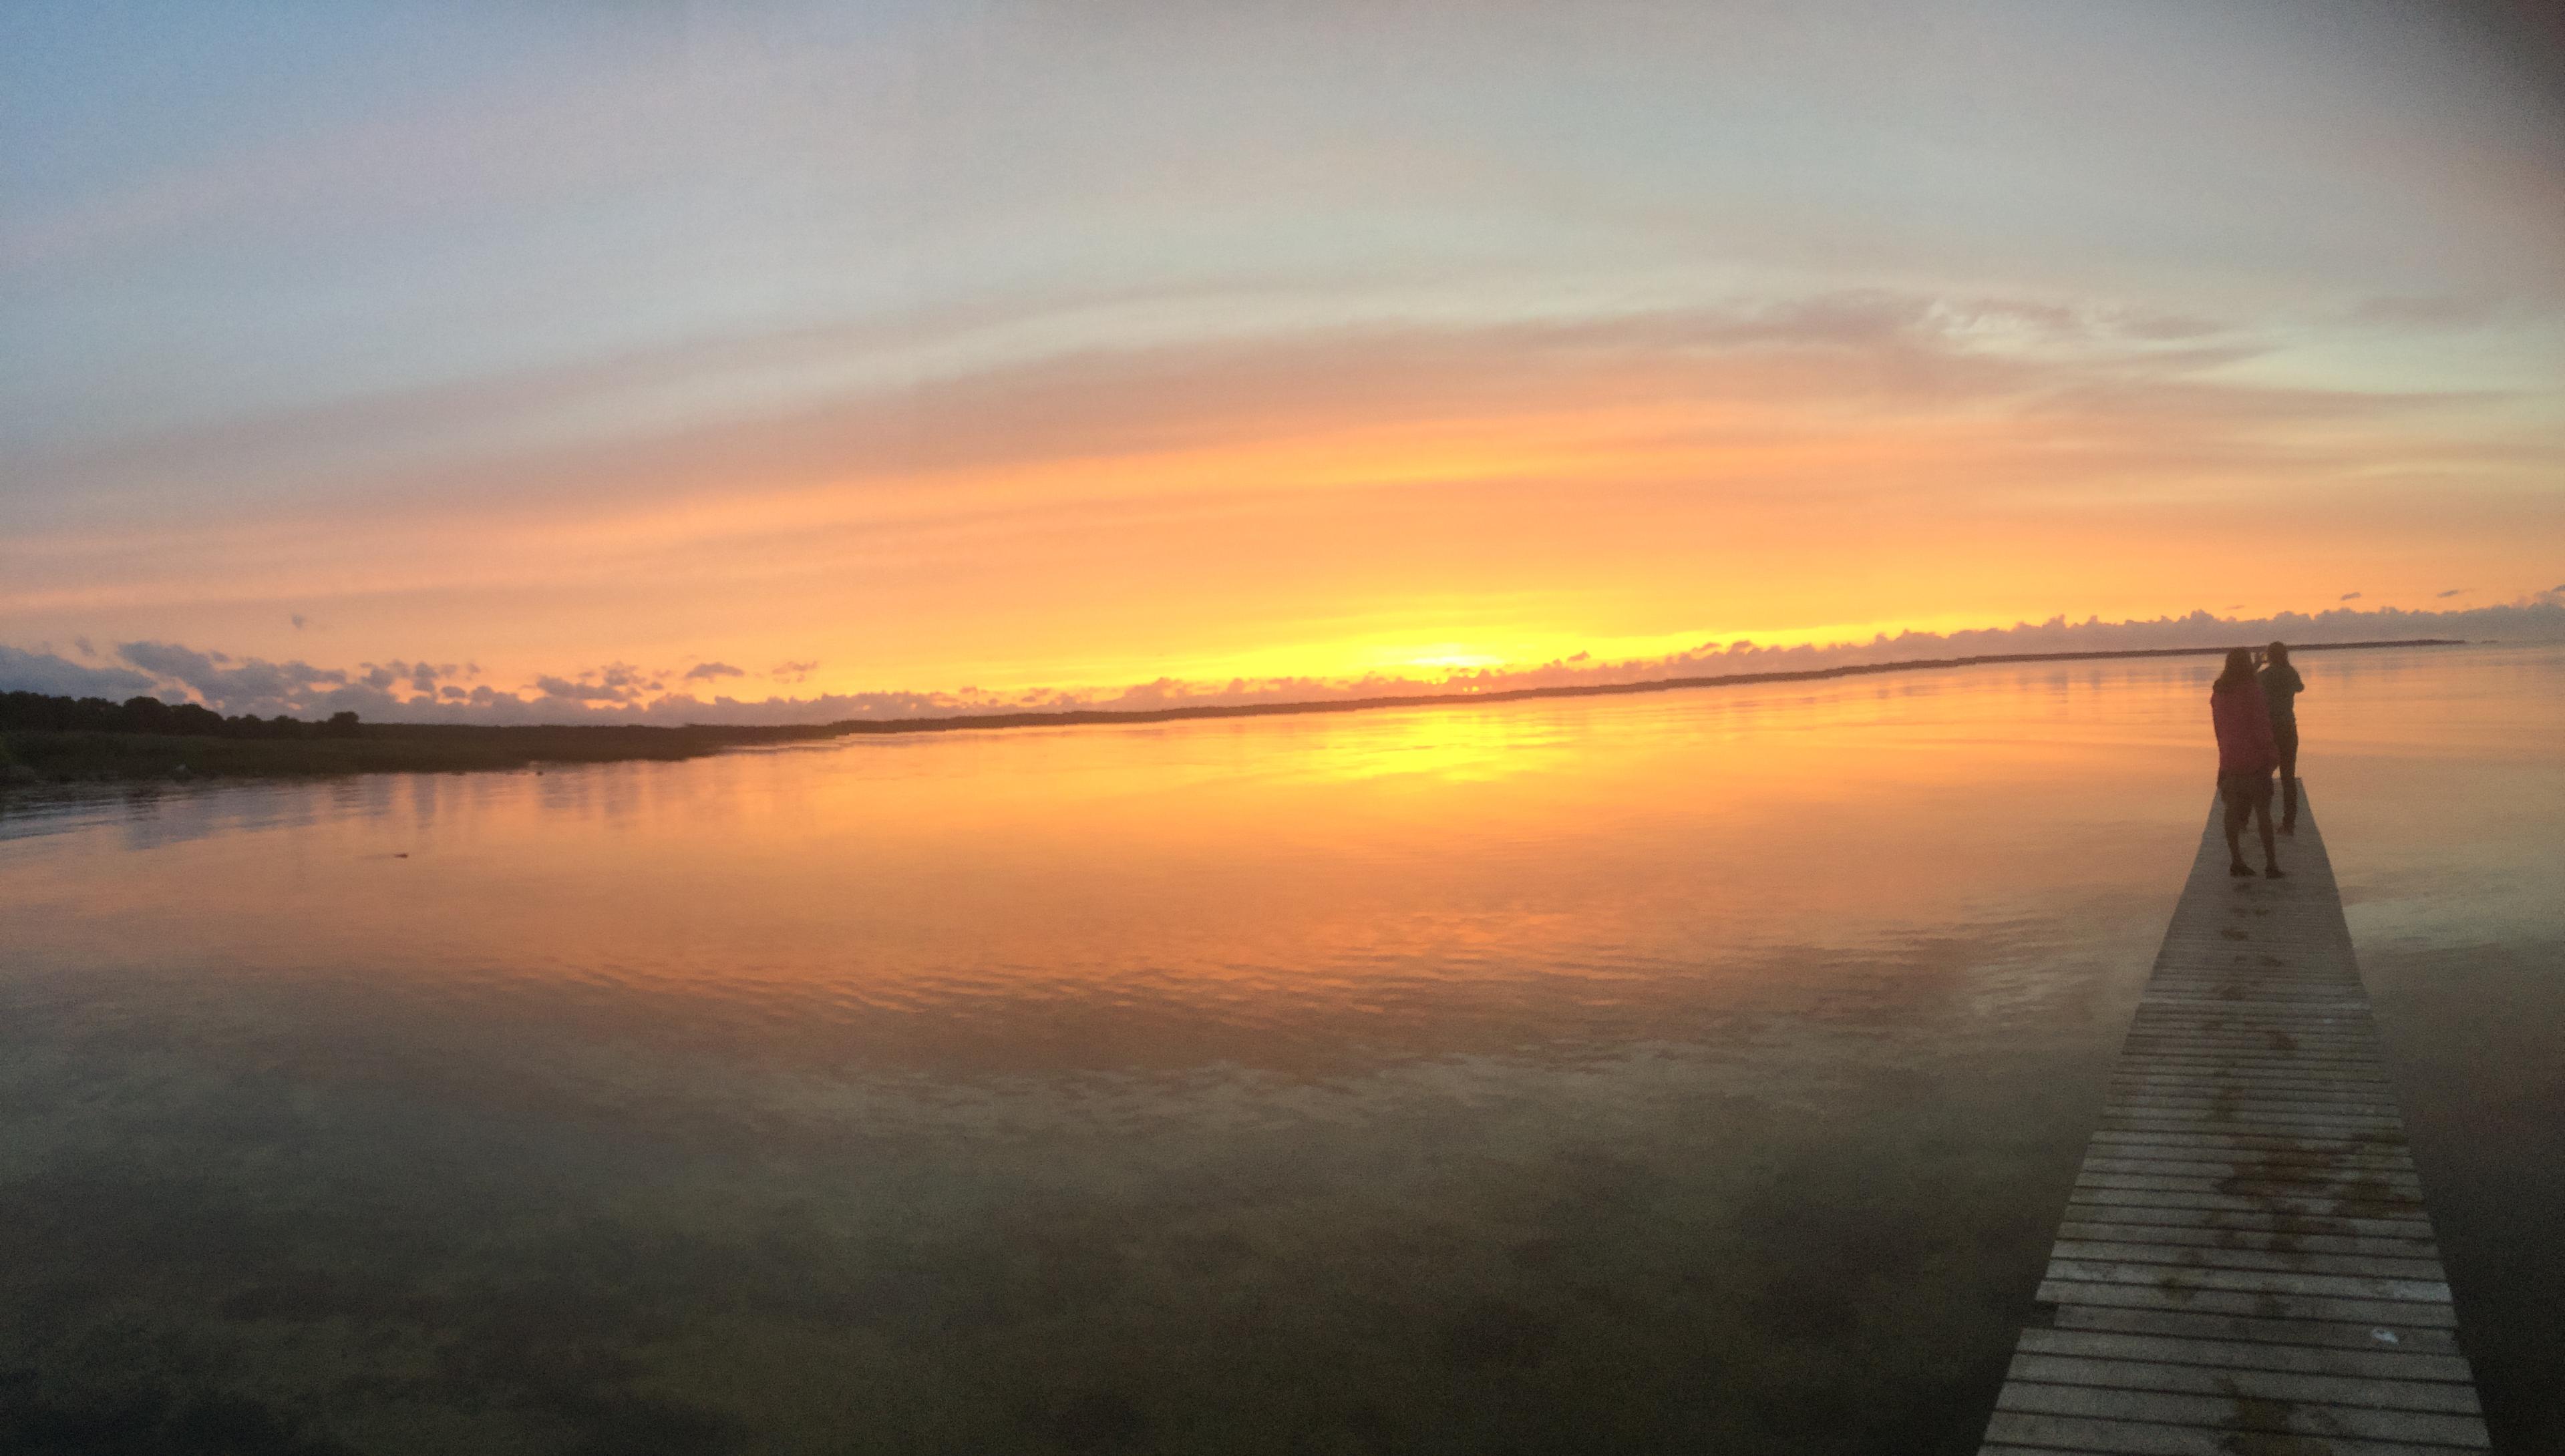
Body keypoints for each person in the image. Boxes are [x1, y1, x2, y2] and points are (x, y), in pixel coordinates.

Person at [2209, 647, 2283, 878]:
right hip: (2254, 759)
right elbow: (2261, 726)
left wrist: (2224, 758)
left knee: (2231, 811)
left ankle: (2237, 861)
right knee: (2263, 812)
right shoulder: (2252, 690)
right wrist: (2272, 756)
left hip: (2230, 759)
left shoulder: (2218, 693)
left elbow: (2219, 729)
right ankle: (2271, 865)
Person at [2259, 641, 2306, 834]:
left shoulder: (2265, 675)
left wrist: (2257, 664)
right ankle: (2289, 823)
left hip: (2270, 730)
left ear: (2269, 656)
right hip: (2288, 727)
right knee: (2288, 777)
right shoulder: (2290, 672)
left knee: (2264, 775)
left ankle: (2263, 817)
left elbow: (2249, 682)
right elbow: (2300, 687)